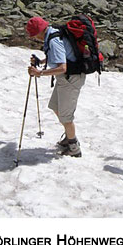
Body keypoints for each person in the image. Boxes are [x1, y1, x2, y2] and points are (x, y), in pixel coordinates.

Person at [26, 16, 85, 157]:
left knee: (65, 116)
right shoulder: (53, 34)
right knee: (55, 106)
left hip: (71, 78)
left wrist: (39, 73)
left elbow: (62, 67)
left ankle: (74, 147)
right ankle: (70, 137)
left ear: (40, 31)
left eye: (34, 34)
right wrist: (41, 61)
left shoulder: (53, 40)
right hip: (67, 78)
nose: (35, 38)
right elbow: (59, 56)